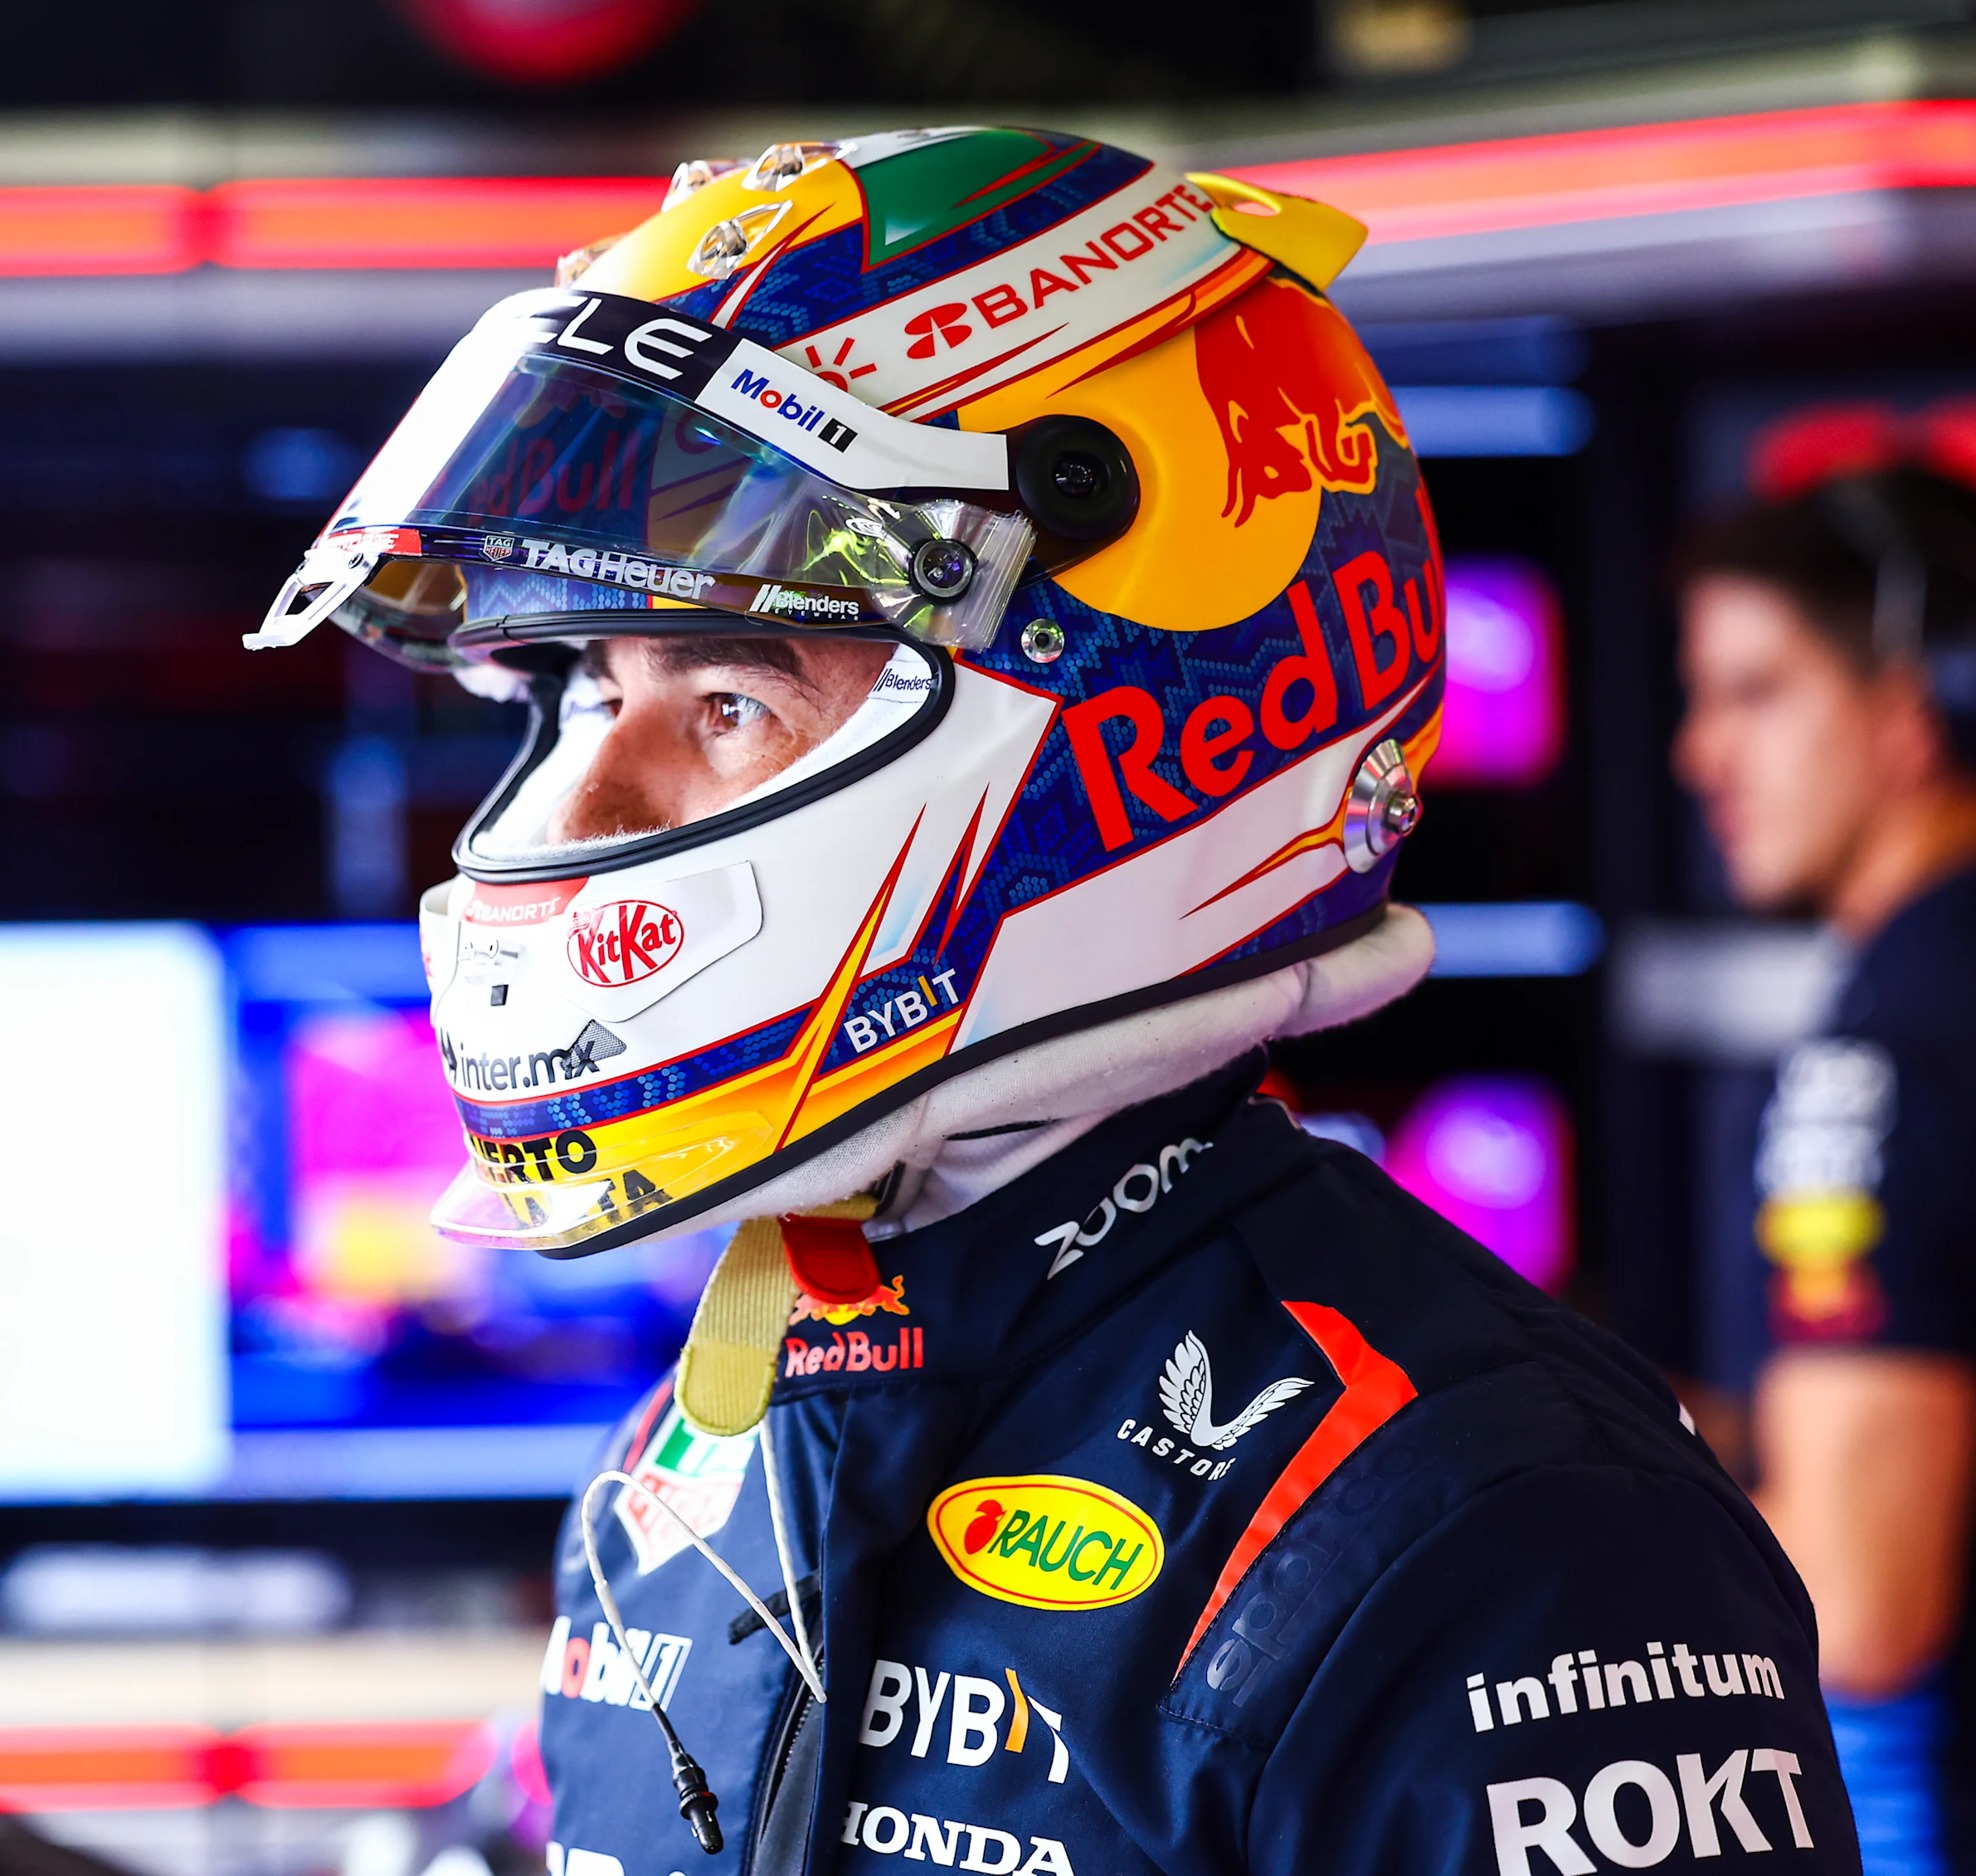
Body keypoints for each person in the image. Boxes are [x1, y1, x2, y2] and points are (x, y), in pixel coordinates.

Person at [253, 128, 1862, 1873]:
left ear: (1111, 697)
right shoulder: (684, 1469)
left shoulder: (1501, 1533)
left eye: (724, 698)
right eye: (577, 696)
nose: (578, 819)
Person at [1677, 462, 1976, 1871]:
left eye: (1757, 691)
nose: (1702, 752)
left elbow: (1859, 1607)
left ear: (1920, 703)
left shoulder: (1884, 1050)